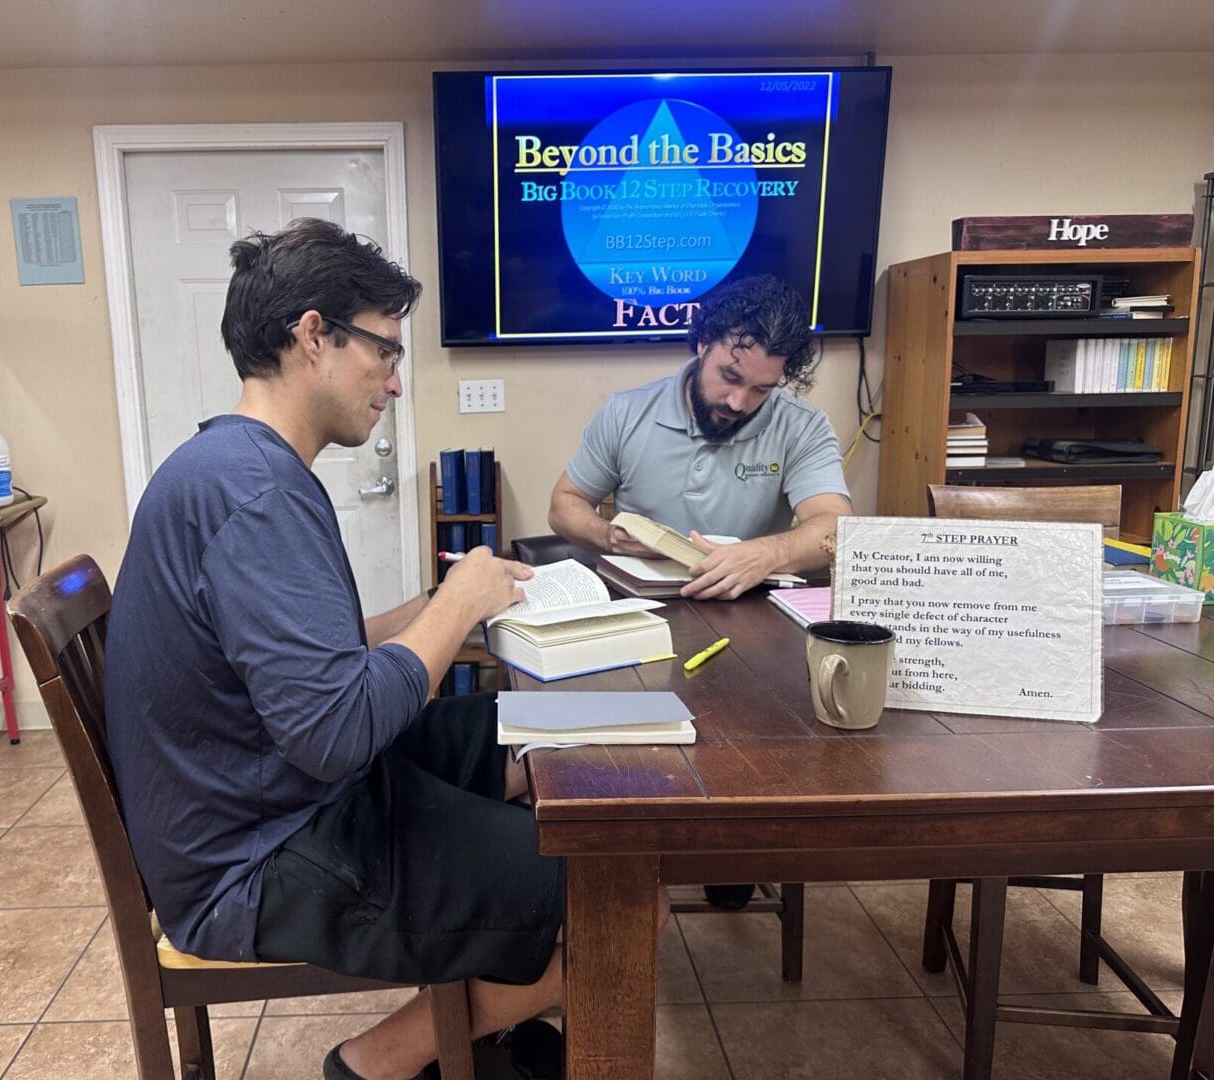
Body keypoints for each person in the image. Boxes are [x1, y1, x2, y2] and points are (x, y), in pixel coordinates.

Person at [105, 219, 578, 1080]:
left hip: (269, 794)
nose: (396, 383)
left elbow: (292, 665)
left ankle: (484, 1010)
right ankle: (374, 1065)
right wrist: (456, 608)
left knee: (537, 734)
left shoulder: (236, 467)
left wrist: (430, 612)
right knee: (612, 887)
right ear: (313, 336)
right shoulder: (253, 493)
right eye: (385, 353)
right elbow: (335, 733)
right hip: (255, 855)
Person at [547, 273, 852, 910]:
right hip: (639, 617)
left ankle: (726, 844)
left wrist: (765, 552)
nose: (740, 402)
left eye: (762, 389)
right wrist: (608, 536)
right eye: (729, 378)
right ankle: (626, 862)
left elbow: (833, 529)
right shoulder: (627, 412)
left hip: (749, 632)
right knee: (615, 764)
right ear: (702, 343)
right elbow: (564, 506)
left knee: (749, 759)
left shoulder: (800, 426)